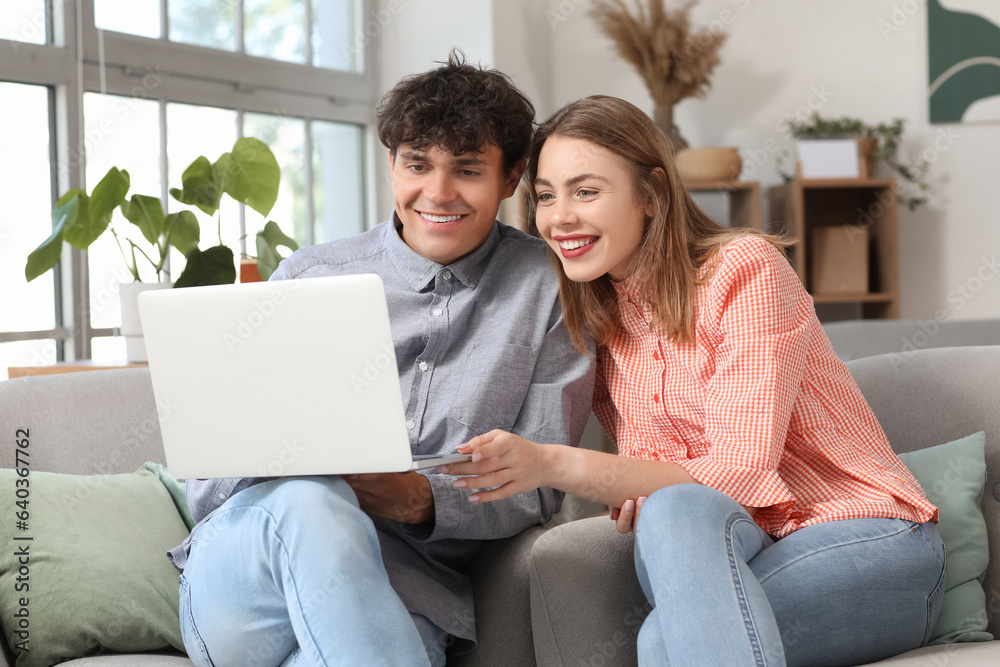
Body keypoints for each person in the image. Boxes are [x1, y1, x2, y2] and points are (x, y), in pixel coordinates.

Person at [440, 95, 946, 666]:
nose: (559, 218)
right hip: (736, 546)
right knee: (673, 511)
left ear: (652, 195)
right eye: (546, 196)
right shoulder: (595, 320)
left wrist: (556, 463)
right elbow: (661, 488)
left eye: (586, 191)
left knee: (662, 641)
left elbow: (740, 469)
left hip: (868, 540)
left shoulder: (743, 270)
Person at [167, 52, 595, 667]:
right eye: (417, 165)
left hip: (404, 597)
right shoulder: (308, 275)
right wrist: (307, 474)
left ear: (511, 178)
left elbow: (538, 487)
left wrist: (422, 499)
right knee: (311, 501)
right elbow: (209, 478)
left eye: (468, 170)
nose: (438, 193)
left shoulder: (549, 290)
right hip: (247, 583)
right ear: (392, 163)